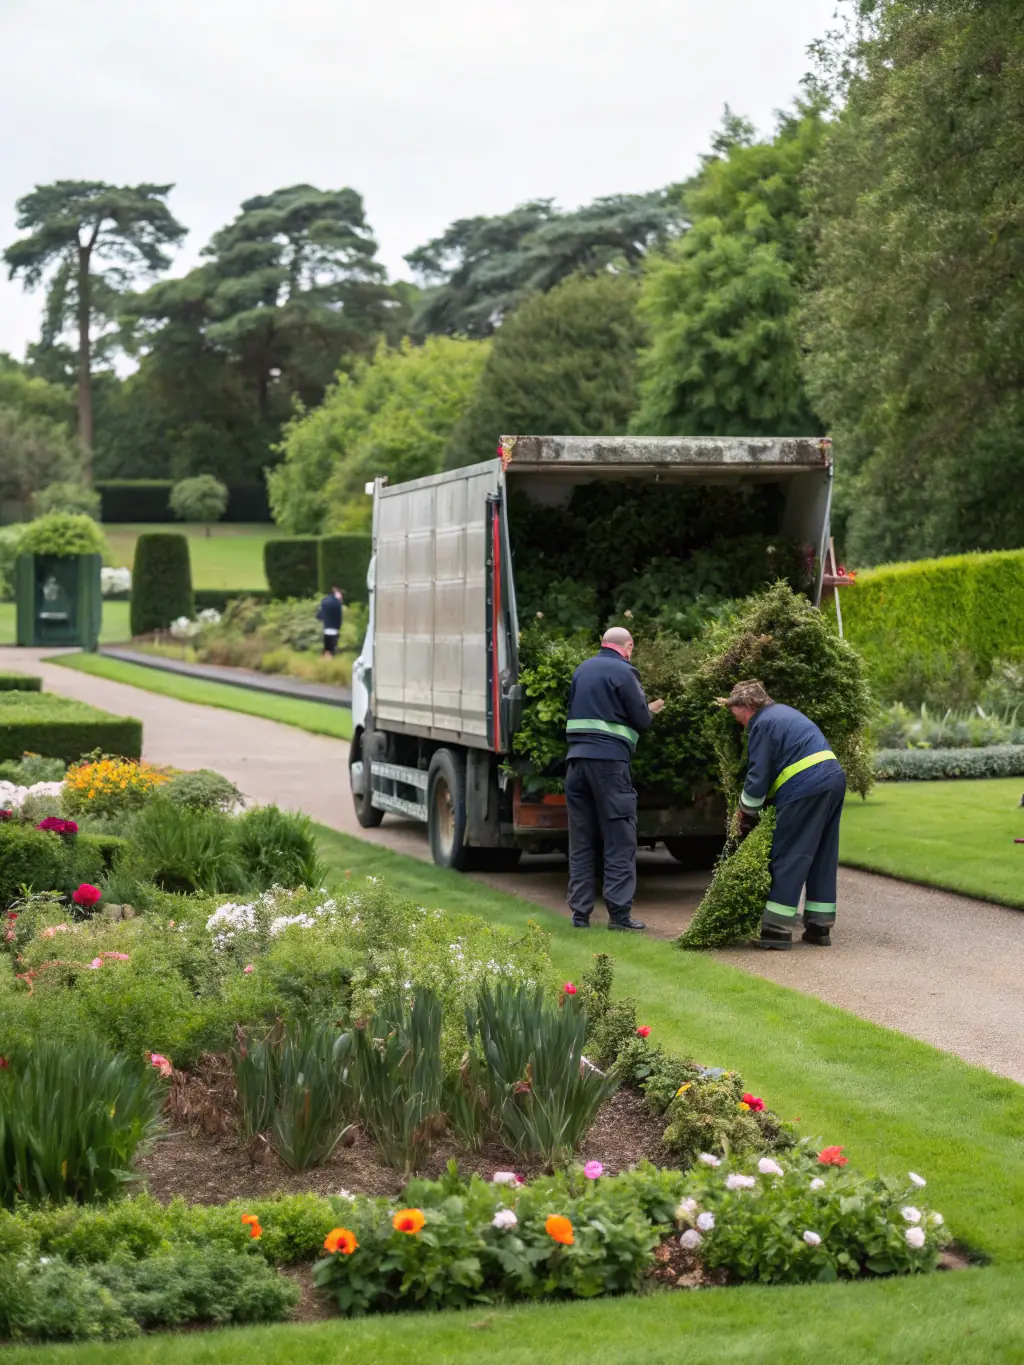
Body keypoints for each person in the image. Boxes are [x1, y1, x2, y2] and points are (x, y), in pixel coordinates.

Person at [718, 680, 847, 951]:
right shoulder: (784, 714)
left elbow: (757, 776)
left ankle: (776, 931)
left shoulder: (762, 725)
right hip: (833, 779)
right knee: (822, 852)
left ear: (748, 706)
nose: (734, 716)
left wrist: (745, 812)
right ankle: (819, 927)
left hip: (807, 784)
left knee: (790, 853)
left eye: (734, 709)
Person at [564, 626, 665, 931]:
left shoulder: (582, 670)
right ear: (628, 646)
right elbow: (642, 720)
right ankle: (619, 916)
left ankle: (579, 914)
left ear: (602, 644)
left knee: (581, 840)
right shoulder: (625, 673)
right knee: (619, 839)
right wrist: (652, 709)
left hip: (576, 763)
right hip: (609, 765)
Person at [316, 586, 343, 657]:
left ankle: (325, 658)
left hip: (326, 627)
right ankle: (330, 658)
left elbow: (320, 615)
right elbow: (339, 617)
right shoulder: (337, 604)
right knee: (332, 649)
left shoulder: (324, 601)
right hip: (334, 629)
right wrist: (339, 627)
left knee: (327, 647)